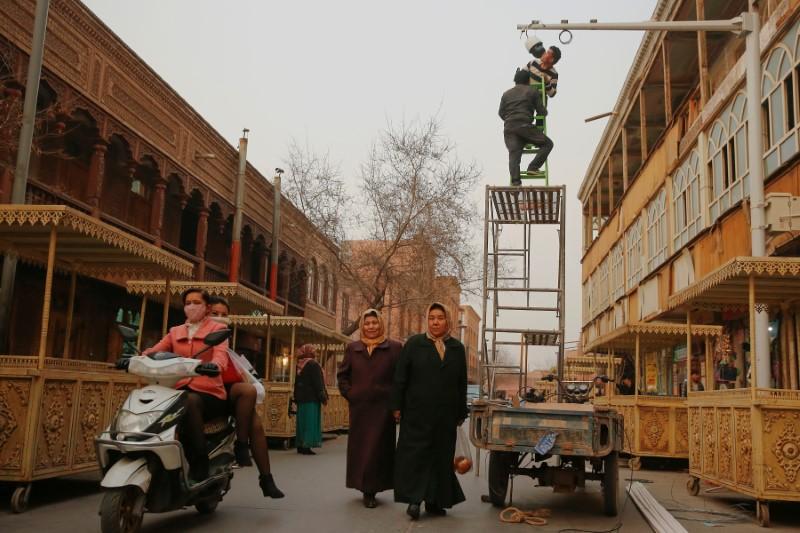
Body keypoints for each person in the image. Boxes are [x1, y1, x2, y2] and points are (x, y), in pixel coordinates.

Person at [143, 288, 229, 483]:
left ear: (207, 308)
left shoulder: (217, 330)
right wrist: (134, 358)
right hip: (179, 390)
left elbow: (220, 355)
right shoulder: (175, 332)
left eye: (196, 302)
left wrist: (214, 366)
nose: (191, 306)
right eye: (188, 302)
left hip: (209, 393)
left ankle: (200, 465)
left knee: (189, 400)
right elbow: (154, 351)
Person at [392, 303, 468, 520]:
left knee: (441, 458)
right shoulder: (415, 344)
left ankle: (435, 501)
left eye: (440, 318)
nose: (435, 322)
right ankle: (414, 501)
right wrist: (396, 405)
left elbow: (461, 382)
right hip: (417, 413)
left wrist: (461, 411)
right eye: (432, 318)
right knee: (416, 457)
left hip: (445, 415)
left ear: (447, 321)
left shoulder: (456, 348)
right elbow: (400, 377)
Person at [208, 296, 284, 498]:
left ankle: (264, 476)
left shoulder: (223, 337)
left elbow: (229, 367)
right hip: (204, 388)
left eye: (224, 315)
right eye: (215, 313)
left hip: (227, 389)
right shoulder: (190, 333)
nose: (220, 318)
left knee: (255, 421)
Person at [337, 309, 402, 508]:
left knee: (378, 450)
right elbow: (343, 375)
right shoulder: (353, 348)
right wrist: (351, 393)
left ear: (380, 324)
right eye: (367, 323)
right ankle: (365, 487)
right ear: (362, 326)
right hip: (360, 409)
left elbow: (400, 378)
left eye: (375, 323)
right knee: (362, 448)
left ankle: (372, 489)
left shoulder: (394, 348)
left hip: (384, 409)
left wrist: (396, 404)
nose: (371, 327)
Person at [499, 69, 554, 186]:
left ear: (515, 80)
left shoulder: (506, 94)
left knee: (514, 154)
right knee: (548, 144)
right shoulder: (532, 91)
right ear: (528, 80)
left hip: (509, 128)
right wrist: (543, 109)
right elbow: (541, 112)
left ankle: (515, 182)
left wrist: (511, 120)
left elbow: (501, 113)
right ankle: (533, 167)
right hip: (524, 126)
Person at [293, 344, 328, 455]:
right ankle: (306, 446)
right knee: (310, 422)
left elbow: (297, 383)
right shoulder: (313, 364)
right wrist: (323, 396)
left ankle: (300, 444)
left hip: (301, 398)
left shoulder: (300, 365)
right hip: (311, 398)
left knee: (302, 422)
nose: (315, 353)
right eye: (313, 351)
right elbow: (318, 382)